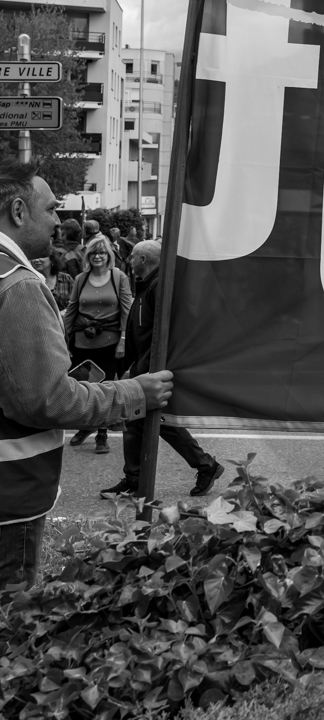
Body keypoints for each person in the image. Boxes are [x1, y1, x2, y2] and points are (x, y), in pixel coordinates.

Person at [0, 161, 172, 588]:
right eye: (51, 209)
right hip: (9, 500)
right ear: (19, 212)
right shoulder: (16, 285)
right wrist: (136, 393)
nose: (59, 221)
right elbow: (48, 400)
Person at [101, 241, 224, 499]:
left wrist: (138, 370)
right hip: (145, 368)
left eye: (132, 257)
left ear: (143, 259)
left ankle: (203, 465)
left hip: (150, 370)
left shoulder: (158, 287)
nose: (129, 260)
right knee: (140, 422)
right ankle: (140, 476)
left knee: (153, 420)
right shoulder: (148, 285)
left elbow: (160, 335)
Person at [61, 235, 133, 455]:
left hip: (109, 343)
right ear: (88, 256)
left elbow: (126, 310)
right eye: (93, 253)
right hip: (82, 342)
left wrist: (122, 340)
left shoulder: (118, 277)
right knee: (84, 386)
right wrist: (62, 336)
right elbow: (72, 308)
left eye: (102, 253)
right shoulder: (81, 279)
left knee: (106, 386)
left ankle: (102, 433)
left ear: (108, 255)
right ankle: (86, 426)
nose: (98, 256)